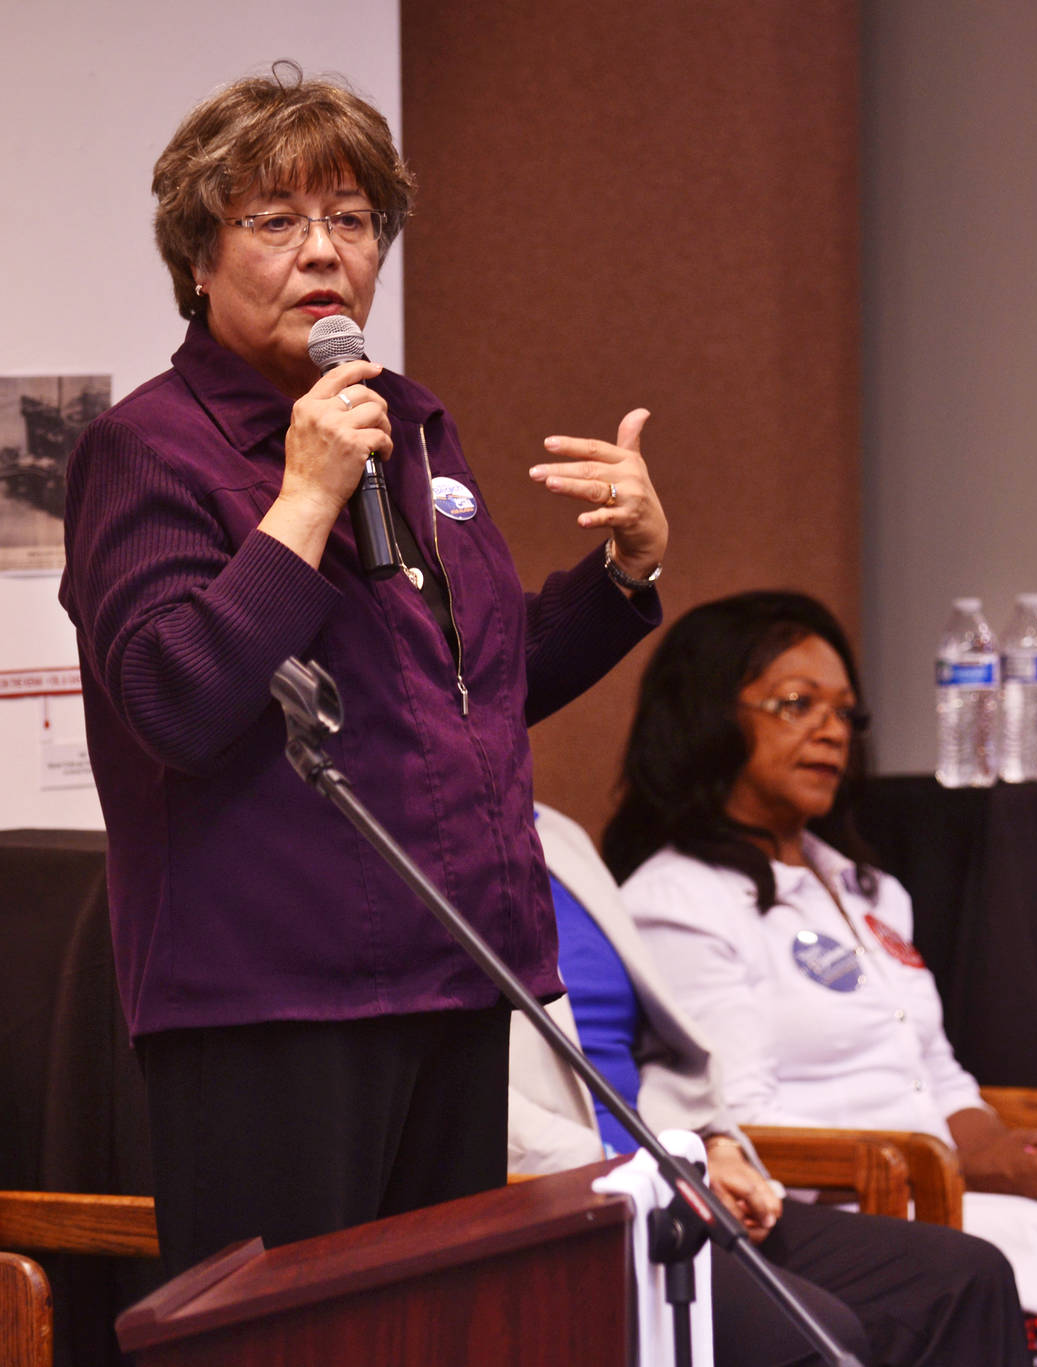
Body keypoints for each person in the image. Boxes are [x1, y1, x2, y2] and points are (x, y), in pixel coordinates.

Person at [59, 65, 668, 1277]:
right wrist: (303, 501)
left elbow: (470, 689)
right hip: (271, 1002)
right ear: (197, 258)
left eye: (350, 219)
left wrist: (621, 576)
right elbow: (172, 699)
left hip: (456, 968)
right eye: (275, 222)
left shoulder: (410, 425)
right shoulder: (150, 449)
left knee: (430, 1329)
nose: (321, 252)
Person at [605, 592, 1037, 1367]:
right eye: (796, 704)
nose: (829, 731)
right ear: (706, 716)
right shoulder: (680, 898)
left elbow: (939, 1077)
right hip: (840, 1209)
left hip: (939, 1182)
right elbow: (735, 1122)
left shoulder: (867, 888)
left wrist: (1014, 1154)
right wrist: (957, 1165)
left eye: (845, 713)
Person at [510, 804, 1031, 1367]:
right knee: (813, 1337)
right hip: (561, 1190)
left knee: (965, 1278)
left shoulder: (555, 832)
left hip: (670, 1172)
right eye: (795, 707)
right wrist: (628, 1170)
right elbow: (456, 1095)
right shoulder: (415, 853)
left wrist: (710, 1144)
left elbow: (660, 1048)